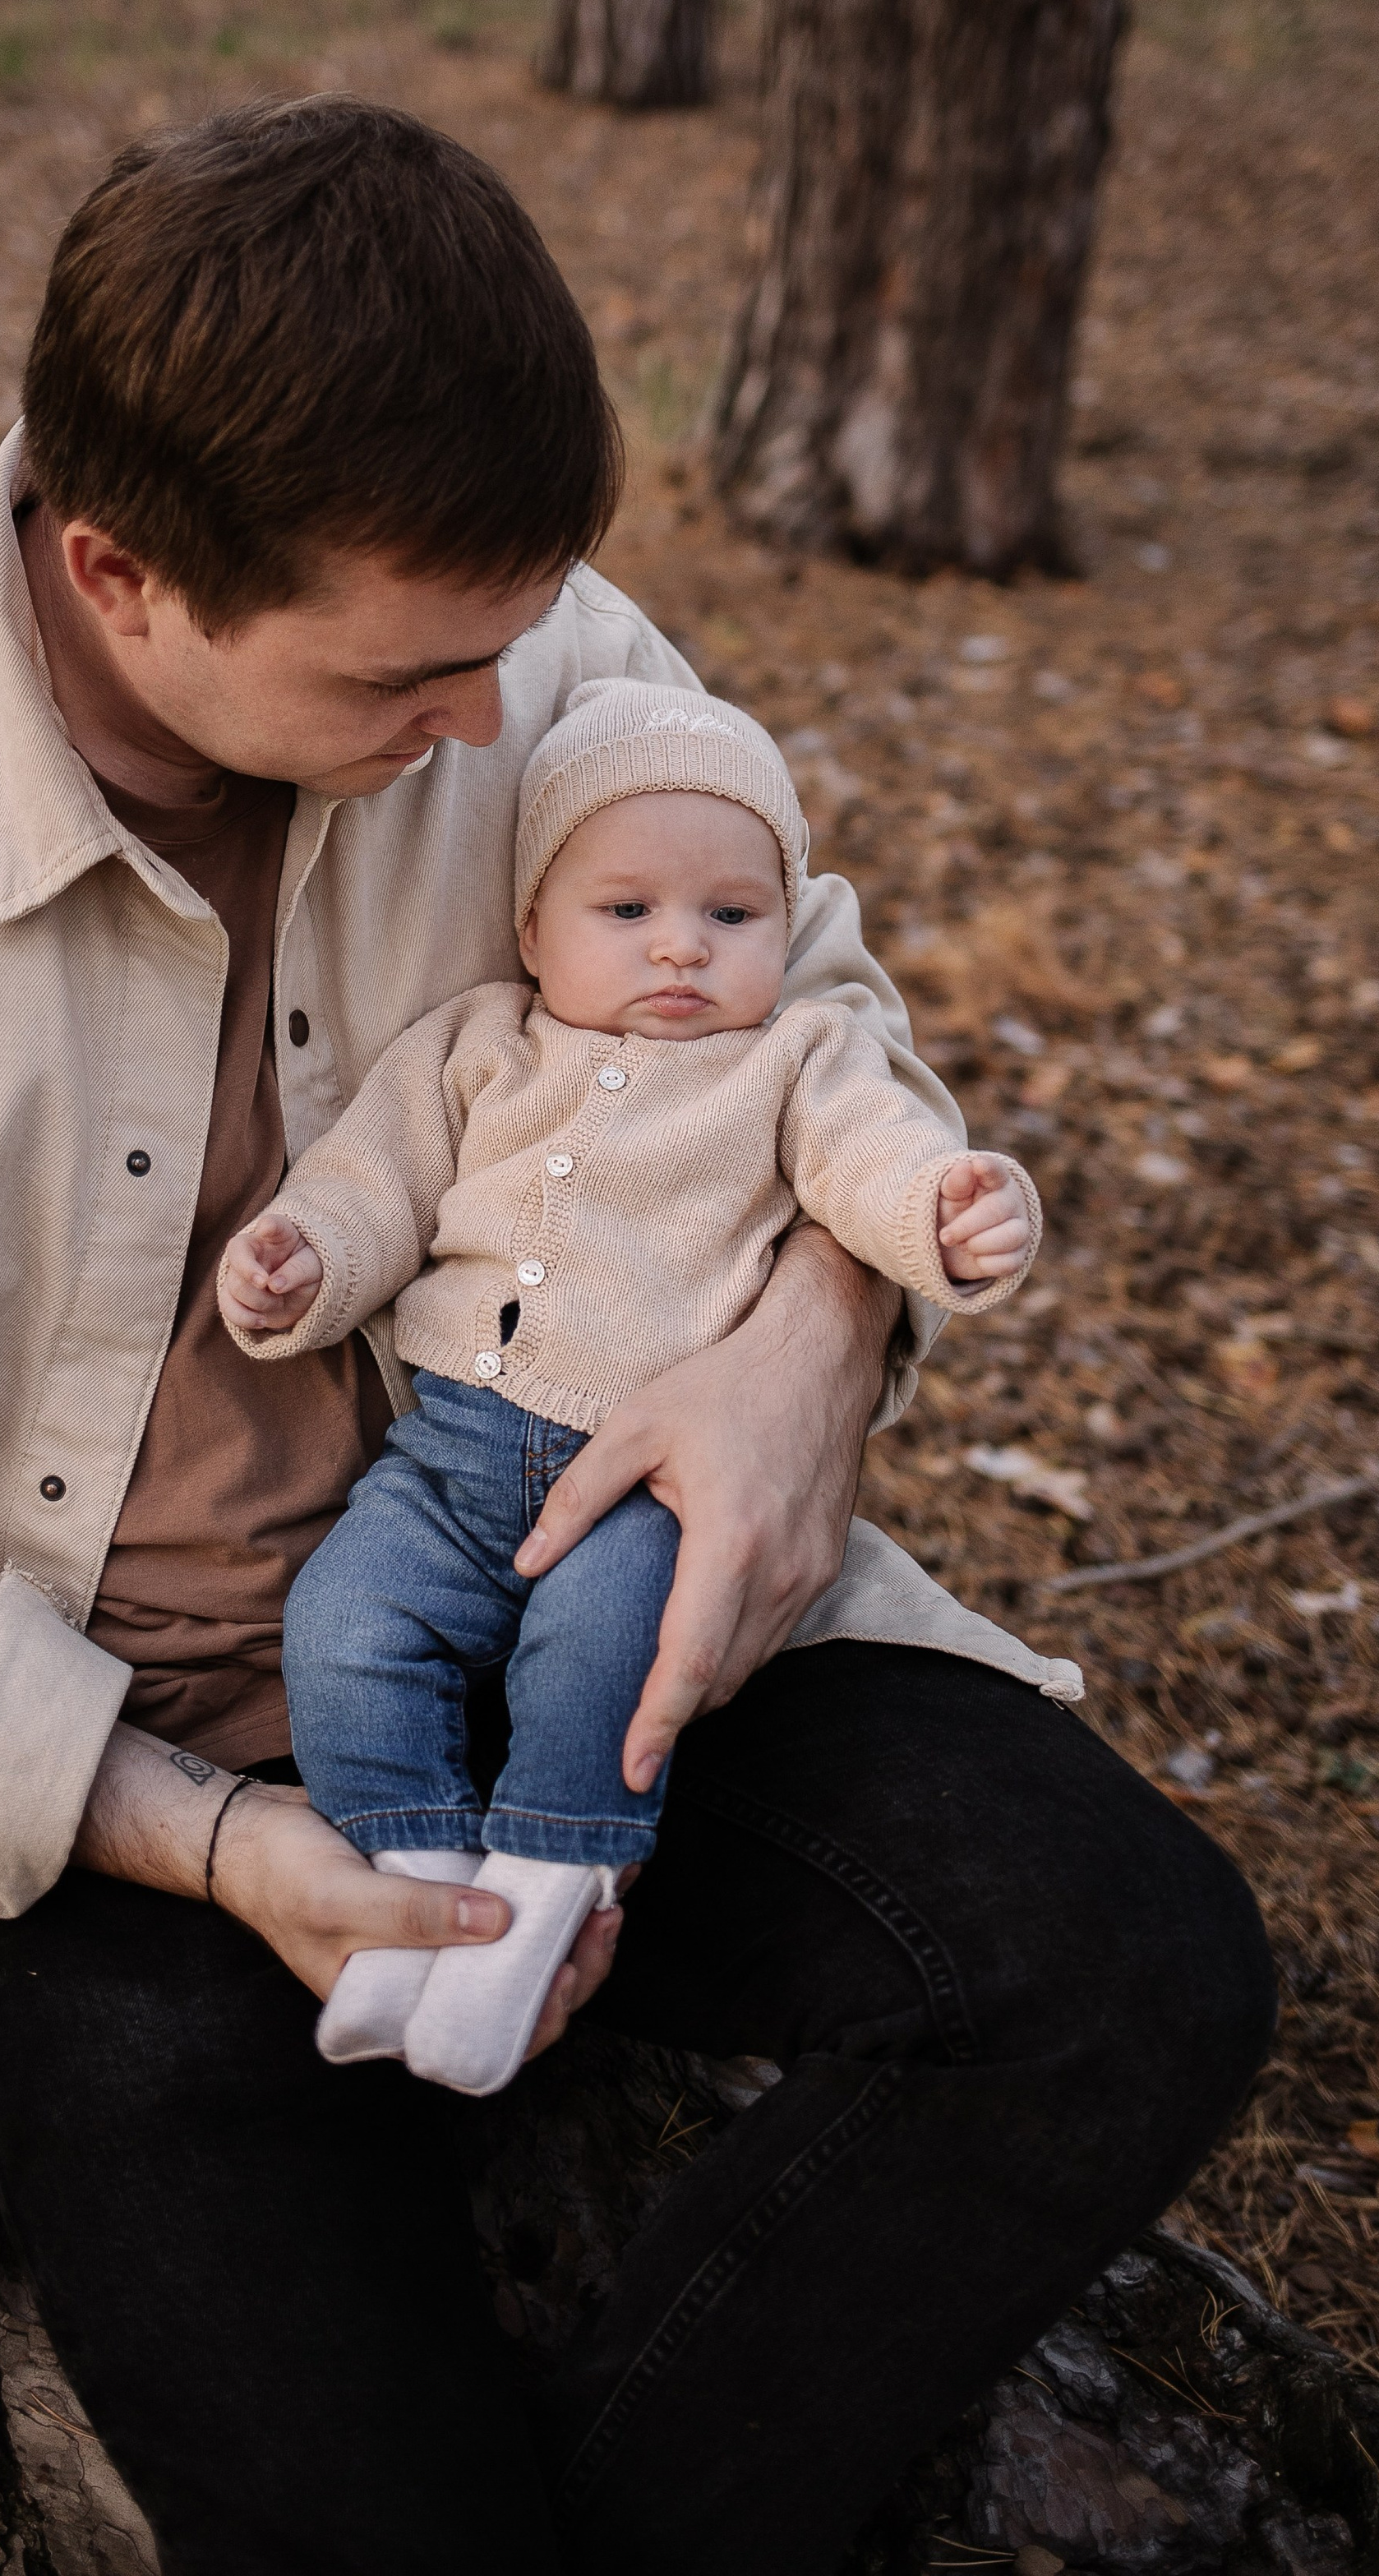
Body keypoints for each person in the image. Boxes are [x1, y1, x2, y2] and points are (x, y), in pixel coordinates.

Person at [0, 98, 1274, 2576]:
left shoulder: (530, 648)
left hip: (576, 1593)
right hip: (105, 1802)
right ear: (122, 573)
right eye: (412, 675)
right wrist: (219, 1847)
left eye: (518, 641)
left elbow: (812, 992)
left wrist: (816, 1345)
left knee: (1120, 1968)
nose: (497, 725)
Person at [221, 679, 1040, 2094]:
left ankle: (539, 1911)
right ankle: (410, 1885)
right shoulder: (479, 1047)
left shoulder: (793, 1059)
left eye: (733, 916)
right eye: (628, 913)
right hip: (456, 1459)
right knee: (346, 1621)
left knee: (610, 1668)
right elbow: (376, 1182)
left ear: (787, 930)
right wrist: (303, 1261)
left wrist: (950, 1210)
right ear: (535, 927)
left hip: (649, 1481)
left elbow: (872, 1163)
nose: (681, 949)